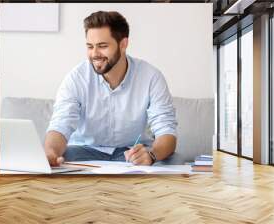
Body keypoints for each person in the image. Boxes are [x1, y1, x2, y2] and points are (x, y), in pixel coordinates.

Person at [45, 11, 177, 166]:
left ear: (123, 44)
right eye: (90, 46)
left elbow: (166, 131)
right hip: (83, 151)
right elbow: (60, 125)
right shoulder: (76, 78)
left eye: (102, 46)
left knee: (171, 159)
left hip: (131, 153)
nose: (94, 54)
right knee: (59, 159)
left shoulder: (151, 77)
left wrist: (152, 155)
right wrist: (50, 153)